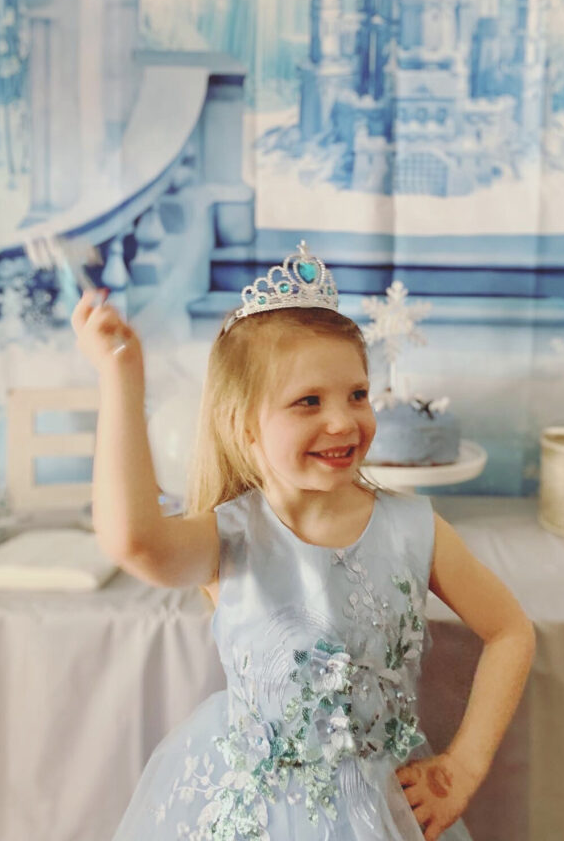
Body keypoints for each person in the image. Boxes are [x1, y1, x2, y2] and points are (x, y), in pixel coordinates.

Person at [71, 241, 536, 841]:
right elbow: (133, 540)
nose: (342, 421)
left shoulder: (415, 529)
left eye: (357, 394)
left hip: (378, 810)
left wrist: (464, 765)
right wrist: (121, 377)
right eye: (308, 402)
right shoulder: (230, 537)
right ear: (245, 428)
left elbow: (509, 631)